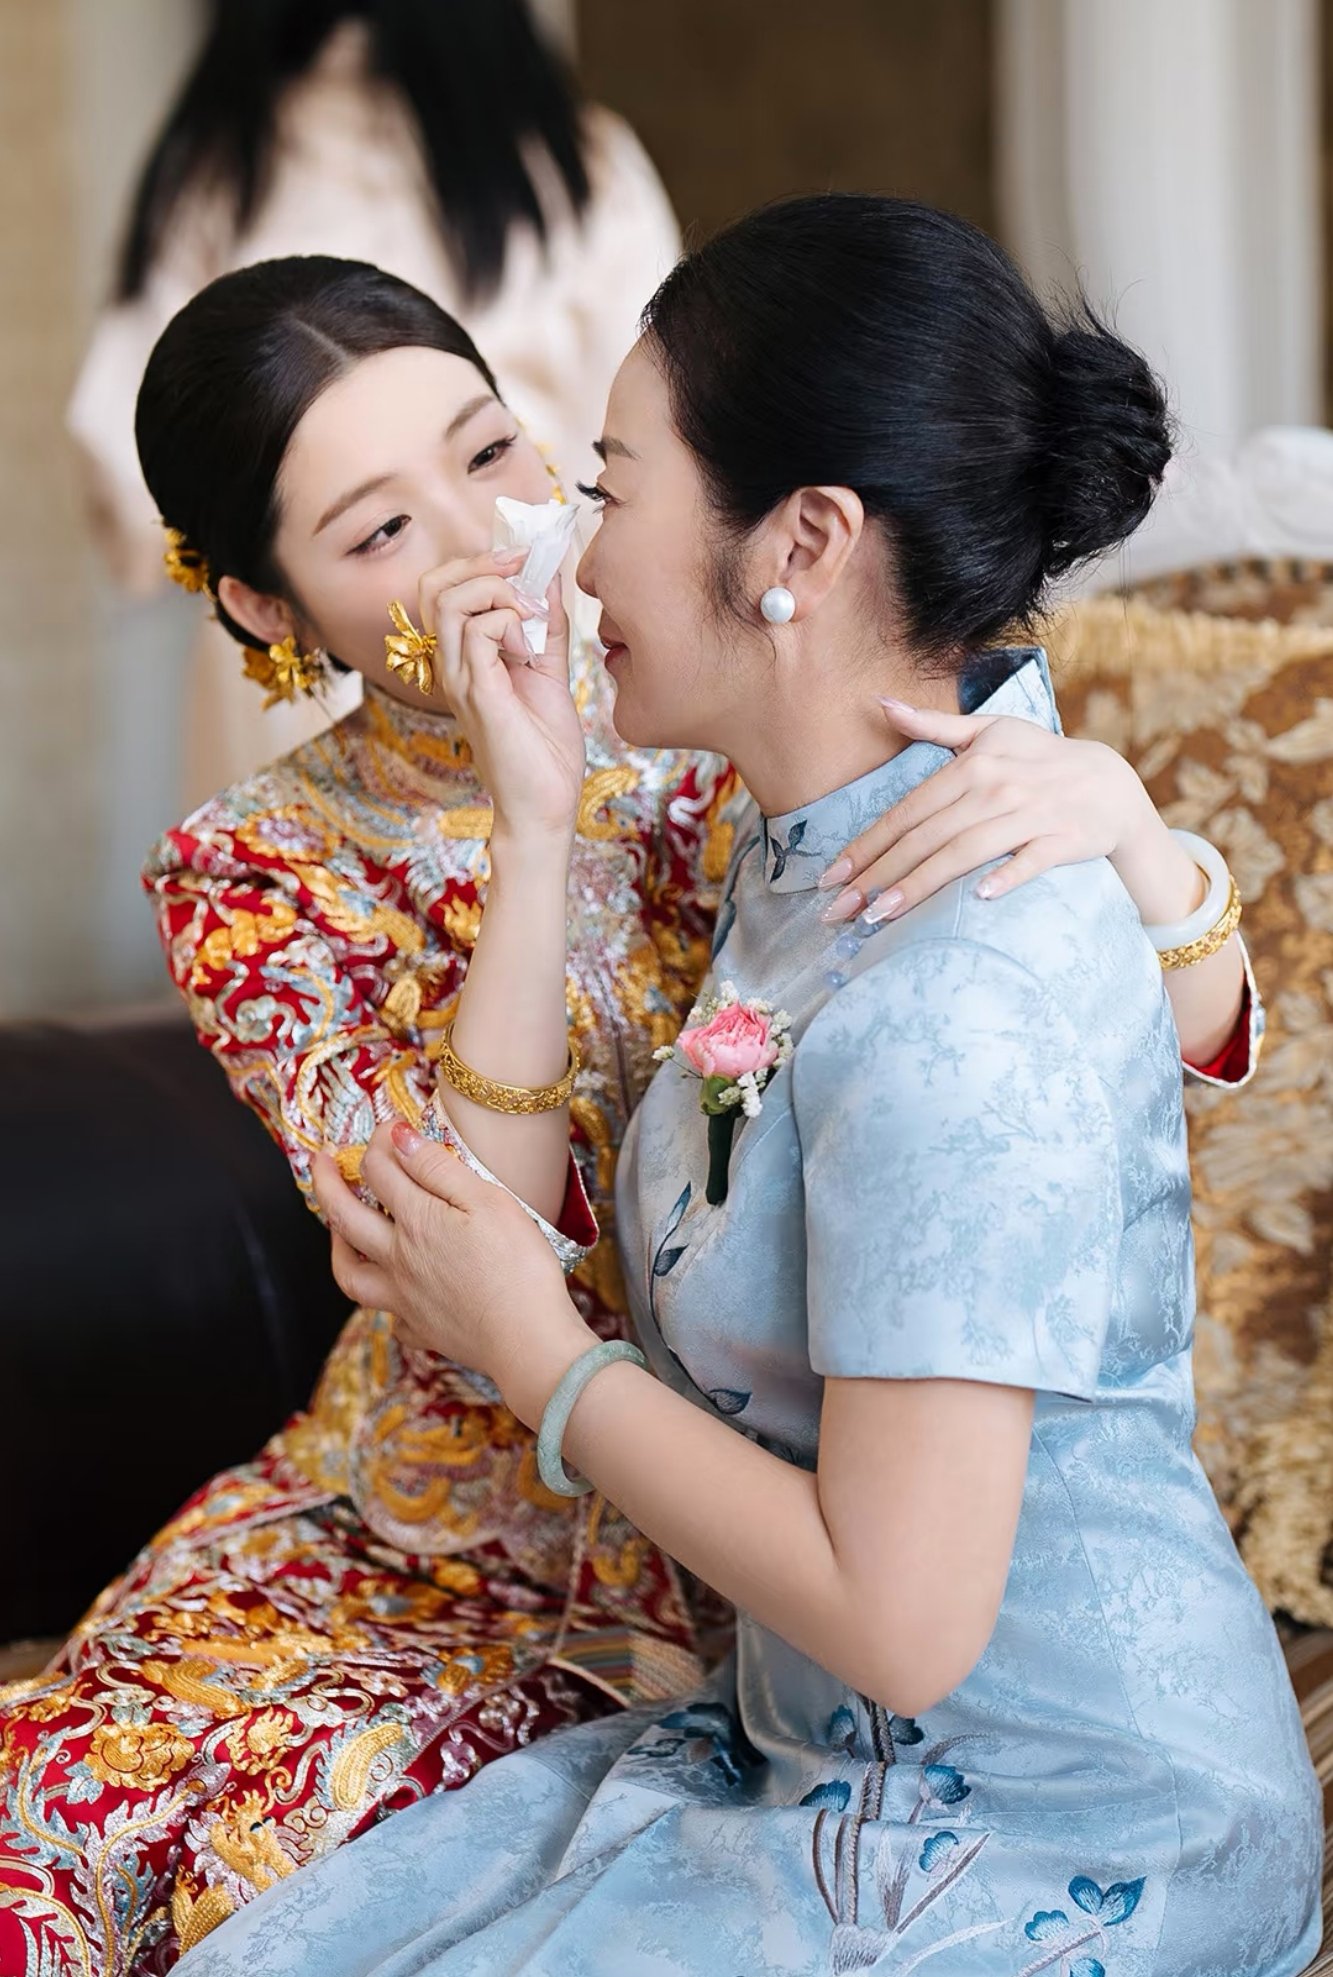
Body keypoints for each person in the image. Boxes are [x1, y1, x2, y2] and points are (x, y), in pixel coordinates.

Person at [0, 253, 1257, 1977]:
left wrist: (1128, 827)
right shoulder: (259, 870)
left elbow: (1096, 1037)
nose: (484, 539)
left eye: (497, 454)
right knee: (53, 1812)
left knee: (265, 1861)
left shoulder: (720, 700)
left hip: (742, 1547)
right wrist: (531, 828)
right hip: (442, 1508)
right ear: (270, 615)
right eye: (380, 532)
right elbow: (467, 1257)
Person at [68, 0, 680, 801]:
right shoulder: (574, 160)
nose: (463, 534)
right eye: (383, 526)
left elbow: (120, 473)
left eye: (489, 450)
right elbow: (659, 436)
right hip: (551, 623)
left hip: (381, 657)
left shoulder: (221, 174)